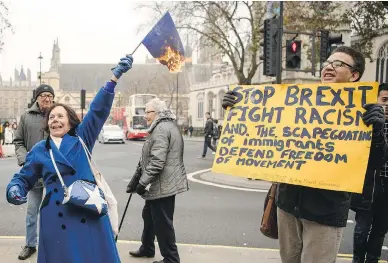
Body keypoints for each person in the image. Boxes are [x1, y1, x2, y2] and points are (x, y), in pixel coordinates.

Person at [222, 46, 387, 263]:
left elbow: (374, 162)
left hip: (325, 211)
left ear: (354, 75)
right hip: (288, 205)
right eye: (327, 63)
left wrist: (376, 130)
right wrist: (237, 109)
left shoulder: (363, 110)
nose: (329, 67)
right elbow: (262, 133)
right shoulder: (297, 102)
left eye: (339, 64)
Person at [6, 54, 133, 263]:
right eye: (52, 118)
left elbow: (97, 111)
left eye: (60, 116)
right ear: (47, 124)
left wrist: (113, 80)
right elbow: (23, 177)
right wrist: (15, 189)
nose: (55, 120)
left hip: (88, 213)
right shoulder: (40, 150)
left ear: (70, 122)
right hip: (55, 220)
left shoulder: (82, 138)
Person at [126, 98, 188, 263]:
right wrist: (136, 181)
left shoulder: (161, 129)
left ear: (158, 113)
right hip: (161, 183)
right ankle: (147, 248)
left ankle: (171, 258)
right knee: (149, 216)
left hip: (163, 184)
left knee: (162, 223)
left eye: (148, 112)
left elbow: (157, 162)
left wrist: (142, 183)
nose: (145, 115)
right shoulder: (165, 126)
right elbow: (147, 159)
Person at [13, 83, 56, 260]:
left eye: (49, 95)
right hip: (34, 173)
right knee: (32, 212)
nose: (46, 98)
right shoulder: (26, 117)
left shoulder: (58, 114)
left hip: (54, 173)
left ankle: (55, 244)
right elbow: (18, 142)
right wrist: (25, 161)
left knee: (55, 211)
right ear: (37, 97)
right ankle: (30, 244)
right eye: (43, 95)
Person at [350, 82, 388, 263]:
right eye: (385, 100)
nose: (387, 105)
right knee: (361, 229)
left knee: (380, 228)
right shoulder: (366, 123)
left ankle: (372, 259)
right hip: (369, 186)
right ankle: (358, 259)